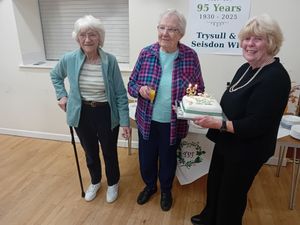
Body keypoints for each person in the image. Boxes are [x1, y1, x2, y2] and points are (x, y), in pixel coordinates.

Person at [191, 14, 291, 225]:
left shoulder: (276, 77)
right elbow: (232, 102)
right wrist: (206, 106)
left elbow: (257, 123)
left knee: (232, 195)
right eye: (246, 38)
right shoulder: (245, 68)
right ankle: (210, 216)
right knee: (215, 182)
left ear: (271, 42)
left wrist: (218, 123)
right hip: (227, 140)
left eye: (257, 39)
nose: (249, 44)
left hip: (248, 149)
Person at [128, 9, 204, 211]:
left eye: (171, 29)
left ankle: (166, 191)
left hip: (174, 121)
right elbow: (131, 84)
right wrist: (140, 90)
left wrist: (187, 102)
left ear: (181, 33)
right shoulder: (147, 53)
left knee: (169, 159)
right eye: (162, 28)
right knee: (146, 159)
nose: (165, 33)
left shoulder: (190, 56)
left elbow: (199, 89)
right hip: (147, 119)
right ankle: (150, 186)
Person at [50, 15, 130, 203]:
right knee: (90, 151)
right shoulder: (69, 59)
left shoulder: (109, 61)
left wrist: (125, 121)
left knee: (109, 151)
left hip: (106, 113)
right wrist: (62, 95)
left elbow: (120, 93)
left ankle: (113, 183)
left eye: (92, 34)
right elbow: (55, 75)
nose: (87, 39)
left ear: (99, 38)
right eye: (83, 35)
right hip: (82, 113)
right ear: (77, 38)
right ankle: (95, 181)